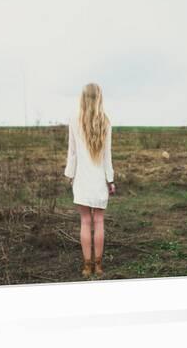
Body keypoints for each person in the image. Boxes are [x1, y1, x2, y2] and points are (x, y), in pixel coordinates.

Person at [64, 83, 115, 278]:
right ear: (99, 98)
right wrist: (110, 180)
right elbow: (107, 156)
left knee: (85, 222)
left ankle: (87, 267)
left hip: (82, 180)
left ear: (83, 98)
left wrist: (70, 175)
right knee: (99, 221)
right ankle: (99, 266)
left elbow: (73, 154)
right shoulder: (106, 122)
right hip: (99, 180)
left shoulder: (74, 120)